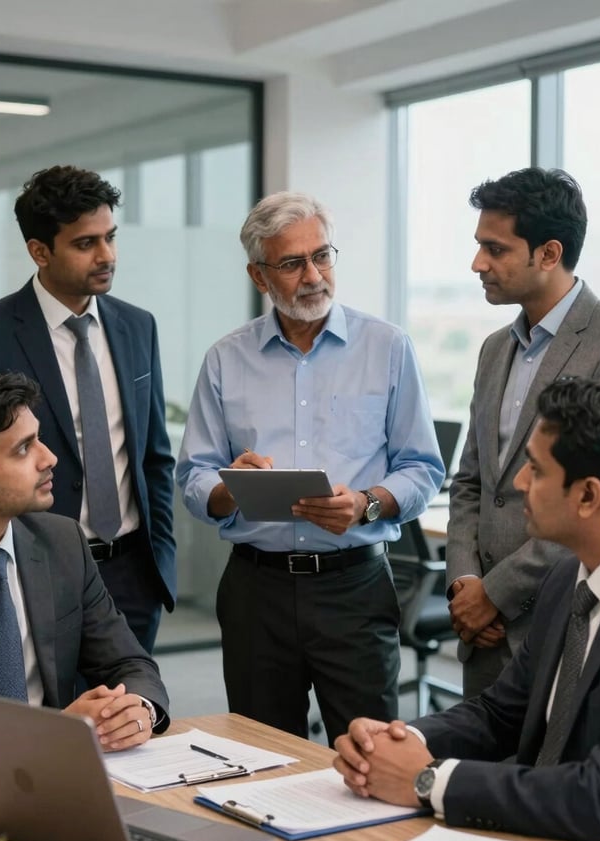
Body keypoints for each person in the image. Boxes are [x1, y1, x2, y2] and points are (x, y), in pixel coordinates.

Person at [334, 377, 600, 841]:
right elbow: (500, 714)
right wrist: (401, 742)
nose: (517, 484)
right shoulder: (566, 578)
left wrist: (426, 779)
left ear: (588, 496)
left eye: (534, 469)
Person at [176, 191, 444, 745]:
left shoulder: (388, 347)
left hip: (355, 588)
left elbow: (422, 468)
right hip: (257, 590)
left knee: (369, 756)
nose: (314, 275)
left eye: (322, 256)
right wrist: (232, 489)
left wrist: (367, 504)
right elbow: (193, 476)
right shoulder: (226, 358)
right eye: (292, 263)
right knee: (259, 756)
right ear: (259, 275)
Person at [0, 165, 175, 655]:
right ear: (40, 251)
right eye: (86, 243)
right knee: (48, 723)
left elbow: (154, 457)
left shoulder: (137, 327)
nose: (107, 255)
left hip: (132, 573)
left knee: (130, 718)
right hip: (32, 570)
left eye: (110, 237)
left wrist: (160, 562)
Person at [447, 167, 600, 698]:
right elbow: (472, 481)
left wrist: (496, 594)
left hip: (566, 621)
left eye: (495, 249)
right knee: (480, 767)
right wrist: (464, 584)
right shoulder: (494, 348)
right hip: (481, 631)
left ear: (548, 253)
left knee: (554, 777)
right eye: (479, 246)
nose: (478, 263)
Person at [0, 371, 170, 757]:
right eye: (24, 449)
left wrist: (137, 710)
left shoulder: (63, 542)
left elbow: (129, 663)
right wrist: (48, 729)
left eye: (39, 438)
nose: (50, 458)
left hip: (60, 772)